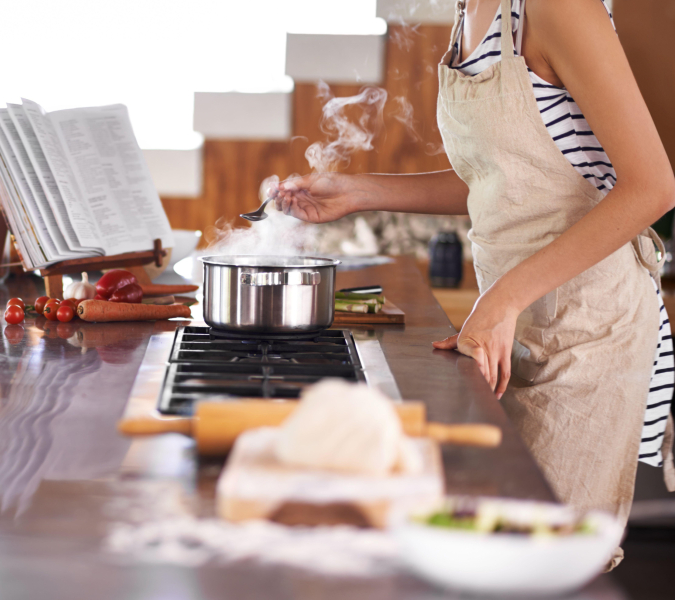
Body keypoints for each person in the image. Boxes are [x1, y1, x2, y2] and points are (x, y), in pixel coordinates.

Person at [272, 0, 675, 567]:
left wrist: (504, 297)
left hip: (589, 329)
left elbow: (653, 187)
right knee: (488, 550)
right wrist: (363, 191)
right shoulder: (469, 12)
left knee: (539, 562)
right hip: (512, 323)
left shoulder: (557, 7)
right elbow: (502, 182)